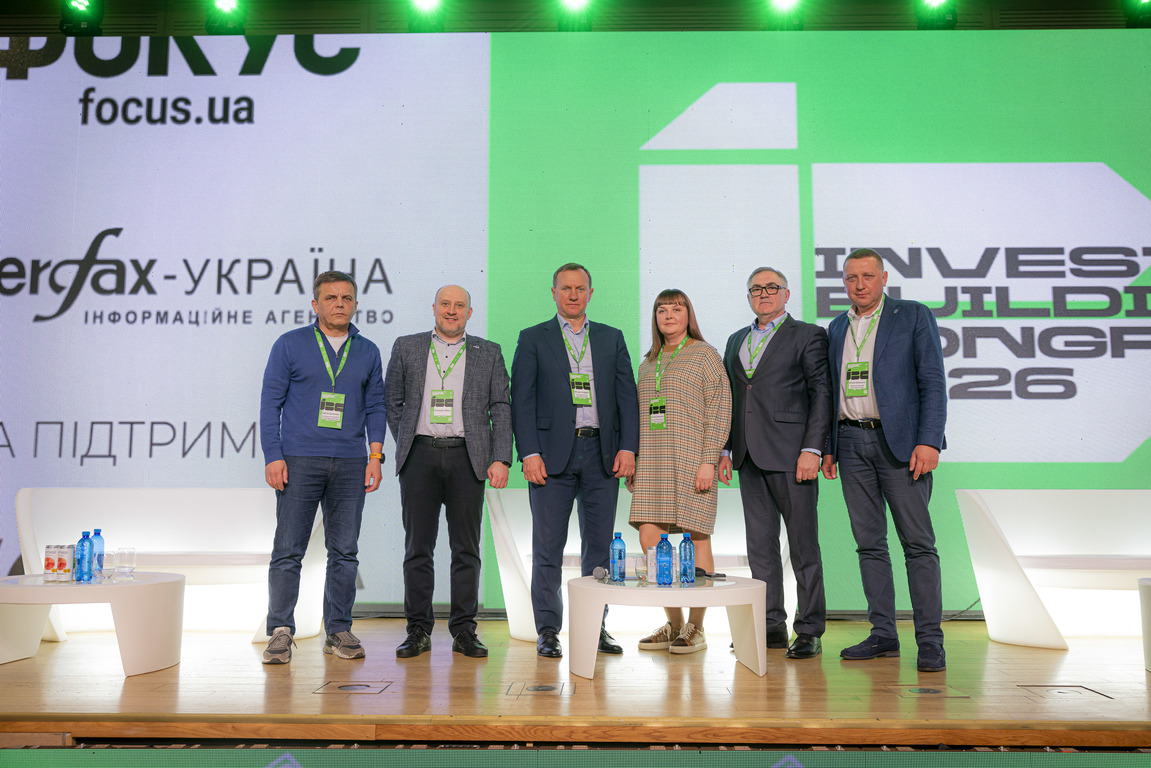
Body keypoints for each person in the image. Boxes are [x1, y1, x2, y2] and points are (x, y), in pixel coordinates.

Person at [821, 248, 948, 673]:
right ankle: (883, 634)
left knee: (918, 545)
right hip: (850, 443)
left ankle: (930, 641)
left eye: (867, 276)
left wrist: (929, 441)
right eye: (851, 278)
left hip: (902, 446)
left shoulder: (912, 315)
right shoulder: (837, 327)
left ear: (884, 278)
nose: (859, 285)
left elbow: (933, 382)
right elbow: (830, 393)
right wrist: (828, 447)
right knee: (869, 545)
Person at [510, 263, 640, 659]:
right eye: (565, 288)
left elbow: (627, 397)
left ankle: (594, 626)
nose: (572, 294)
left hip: (602, 455)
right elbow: (521, 401)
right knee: (548, 547)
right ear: (553, 293)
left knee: (599, 550)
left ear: (590, 293)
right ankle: (548, 630)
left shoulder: (611, 337)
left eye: (579, 288)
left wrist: (628, 447)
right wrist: (529, 453)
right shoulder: (533, 338)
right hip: (550, 459)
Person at [259, 270, 386, 664]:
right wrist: (273, 455)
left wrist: (376, 457)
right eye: (331, 298)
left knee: (344, 552)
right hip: (298, 460)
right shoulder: (290, 344)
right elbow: (270, 404)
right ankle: (280, 631)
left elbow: (376, 407)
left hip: (350, 462)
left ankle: (338, 630)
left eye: (346, 298)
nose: (339, 304)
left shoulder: (368, 351)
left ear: (356, 304)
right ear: (315, 305)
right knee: (288, 551)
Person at [383, 285, 512, 660]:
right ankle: (418, 629)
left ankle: (464, 630)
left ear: (470, 312)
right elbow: (392, 401)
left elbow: (501, 406)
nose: (451, 311)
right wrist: (408, 441)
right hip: (419, 457)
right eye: (445, 304)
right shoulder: (407, 346)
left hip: (468, 458)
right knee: (417, 549)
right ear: (434, 308)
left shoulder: (489, 352)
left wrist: (501, 458)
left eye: (459, 305)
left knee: (466, 550)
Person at [718, 267, 831, 660]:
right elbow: (731, 399)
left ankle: (810, 629)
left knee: (803, 547)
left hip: (792, 455)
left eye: (771, 287)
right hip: (748, 456)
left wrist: (813, 449)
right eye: (756, 289)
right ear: (749, 297)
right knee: (761, 549)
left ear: (786, 294)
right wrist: (725, 449)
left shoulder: (808, 335)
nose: (763, 294)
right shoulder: (736, 339)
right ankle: (770, 626)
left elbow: (821, 394)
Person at [628, 289, 731, 654]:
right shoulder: (647, 362)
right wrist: (634, 460)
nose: (668, 315)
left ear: (689, 315)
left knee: (696, 538)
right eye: (662, 309)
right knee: (650, 538)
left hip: (691, 459)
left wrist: (709, 458)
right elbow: (638, 416)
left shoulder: (705, 354)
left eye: (676, 308)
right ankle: (674, 623)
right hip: (652, 461)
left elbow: (720, 408)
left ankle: (696, 627)